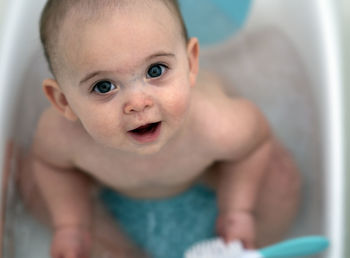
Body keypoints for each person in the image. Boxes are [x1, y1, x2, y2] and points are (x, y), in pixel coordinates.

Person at [19, 0, 301, 257]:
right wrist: (71, 224)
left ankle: (236, 247)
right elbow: (52, 165)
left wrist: (238, 209)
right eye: (103, 86)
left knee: (280, 181)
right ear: (63, 100)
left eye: (156, 70)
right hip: (109, 186)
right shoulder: (61, 137)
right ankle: (124, 251)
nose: (138, 103)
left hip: (206, 174)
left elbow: (254, 143)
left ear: (191, 64)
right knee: (30, 181)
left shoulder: (217, 125)